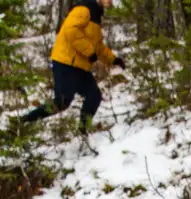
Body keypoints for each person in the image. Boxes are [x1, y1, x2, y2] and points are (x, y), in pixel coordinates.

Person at [22, 0, 124, 134]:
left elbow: (98, 46)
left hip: (80, 66)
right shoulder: (84, 9)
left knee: (94, 96)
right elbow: (71, 31)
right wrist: (90, 52)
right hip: (65, 63)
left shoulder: (96, 15)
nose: (111, 1)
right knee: (62, 102)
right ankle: (23, 121)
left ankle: (83, 130)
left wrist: (113, 60)